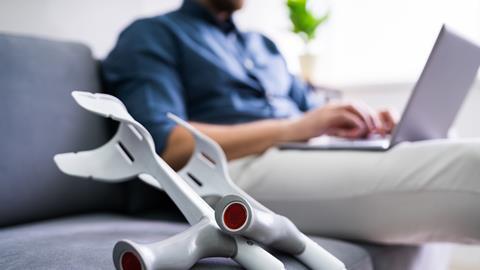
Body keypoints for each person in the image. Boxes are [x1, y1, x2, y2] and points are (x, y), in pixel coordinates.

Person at [102, 0, 480, 244]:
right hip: (224, 172)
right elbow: (165, 146)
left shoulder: (262, 47)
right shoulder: (152, 35)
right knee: (470, 165)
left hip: (298, 152)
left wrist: (359, 121)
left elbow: (312, 111)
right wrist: (294, 128)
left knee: (443, 139)